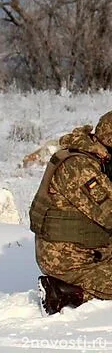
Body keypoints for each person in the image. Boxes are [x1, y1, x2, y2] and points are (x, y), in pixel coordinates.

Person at [30, 110, 112, 315]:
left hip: (88, 249)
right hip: (71, 260)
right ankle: (63, 291)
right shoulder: (79, 167)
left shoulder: (91, 156)